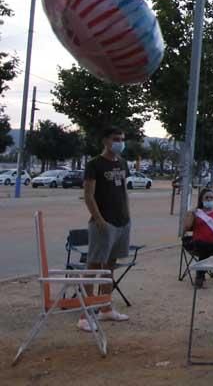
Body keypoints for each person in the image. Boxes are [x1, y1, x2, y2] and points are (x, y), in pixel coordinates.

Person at [79, 127, 132, 332]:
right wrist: (99, 220)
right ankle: (84, 314)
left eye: (122, 139)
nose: (119, 142)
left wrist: (127, 215)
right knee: (93, 267)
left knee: (110, 267)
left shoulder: (122, 163)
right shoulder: (94, 164)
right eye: (115, 139)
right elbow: (88, 195)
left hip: (122, 222)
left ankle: (106, 308)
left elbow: (124, 191)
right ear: (105, 141)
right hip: (103, 223)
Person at [182, 187, 213, 288]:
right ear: (202, 199)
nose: (209, 199)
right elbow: (186, 227)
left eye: (211, 198)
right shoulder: (196, 212)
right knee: (204, 245)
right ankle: (200, 276)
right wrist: (191, 213)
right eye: (207, 197)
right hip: (199, 244)